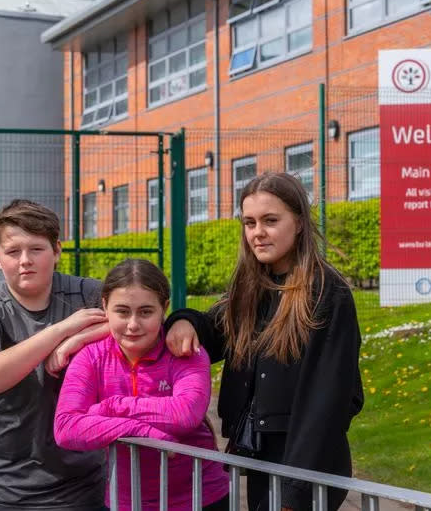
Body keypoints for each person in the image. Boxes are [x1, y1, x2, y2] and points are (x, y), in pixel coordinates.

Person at [165, 172, 365, 511]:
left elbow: (326, 402)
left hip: (305, 468)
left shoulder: (327, 293)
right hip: (260, 456)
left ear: (299, 222)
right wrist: (182, 320)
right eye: (249, 222)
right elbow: (215, 330)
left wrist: (295, 494)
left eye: (270, 221)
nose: (258, 233)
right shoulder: (253, 286)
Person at [0, 199, 110, 511]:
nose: (25, 260)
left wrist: (75, 341)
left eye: (37, 249)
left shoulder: (89, 294)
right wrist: (60, 331)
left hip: (85, 489)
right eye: (13, 252)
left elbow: (137, 326)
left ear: (57, 250)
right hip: (6, 491)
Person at [53, 259, 229, 511]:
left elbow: (185, 415)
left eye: (146, 312)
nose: (133, 324)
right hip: (127, 501)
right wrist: (142, 432)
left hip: (202, 498)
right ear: (105, 307)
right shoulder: (91, 357)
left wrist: (111, 407)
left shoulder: (186, 351)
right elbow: (66, 427)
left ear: (164, 308)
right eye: (122, 311)